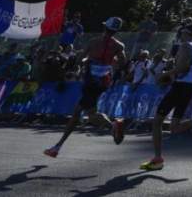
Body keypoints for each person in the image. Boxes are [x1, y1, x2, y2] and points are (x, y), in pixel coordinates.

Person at [44, 17, 129, 159]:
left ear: (104, 28)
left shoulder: (93, 42)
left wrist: (87, 61)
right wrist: (110, 62)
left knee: (84, 113)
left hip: (91, 80)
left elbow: (79, 60)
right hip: (104, 81)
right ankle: (58, 146)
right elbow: (123, 62)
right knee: (84, 112)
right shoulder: (119, 45)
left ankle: (113, 126)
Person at [142, 25, 192, 171]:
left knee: (157, 121)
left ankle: (158, 159)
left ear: (184, 33)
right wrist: (188, 71)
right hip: (189, 86)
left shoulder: (185, 46)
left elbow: (181, 68)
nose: (179, 35)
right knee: (174, 128)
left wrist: (163, 74)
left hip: (180, 87)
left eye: (181, 32)